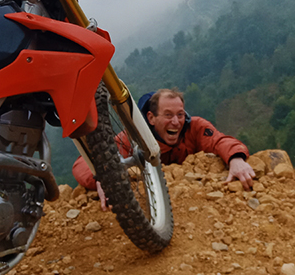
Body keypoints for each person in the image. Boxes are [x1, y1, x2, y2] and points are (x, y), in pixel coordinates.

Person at [72, 88, 256, 208]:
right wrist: (102, 176)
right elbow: (82, 163)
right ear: (151, 118)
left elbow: (219, 141)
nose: (176, 122)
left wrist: (236, 159)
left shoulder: (195, 127)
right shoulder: (133, 138)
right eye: (168, 115)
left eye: (180, 114)